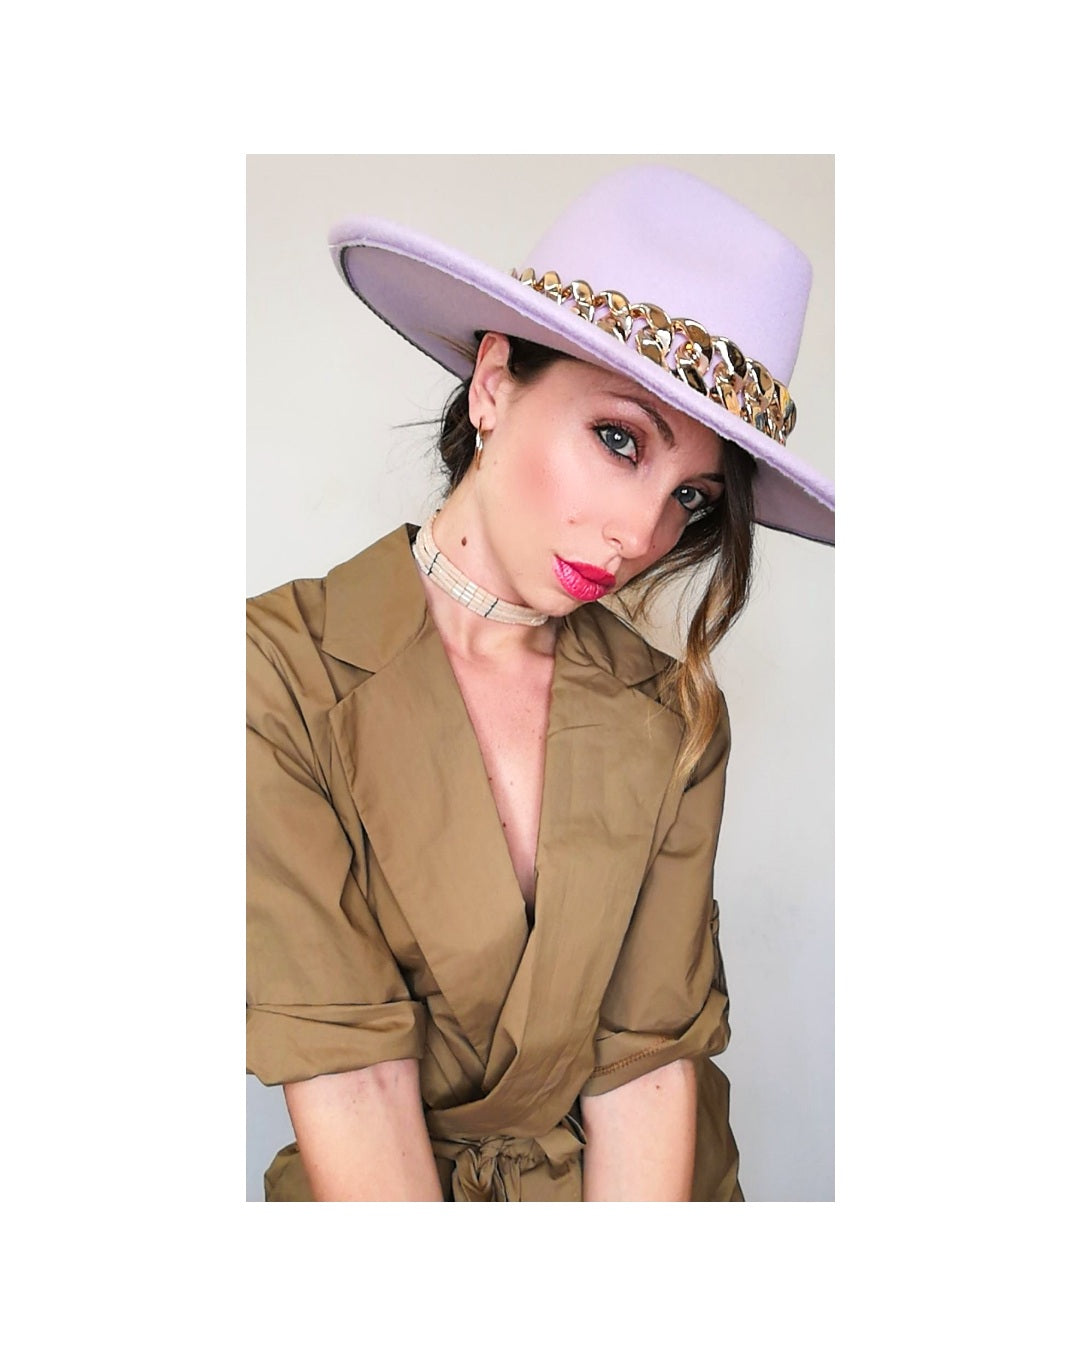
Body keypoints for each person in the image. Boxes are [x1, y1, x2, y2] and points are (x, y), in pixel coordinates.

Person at [247, 162, 834, 1201]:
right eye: (619, 440)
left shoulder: (674, 712)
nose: (642, 534)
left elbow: (647, 1070)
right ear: (492, 383)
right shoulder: (277, 674)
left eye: (693, 498)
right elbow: (353, 1082)